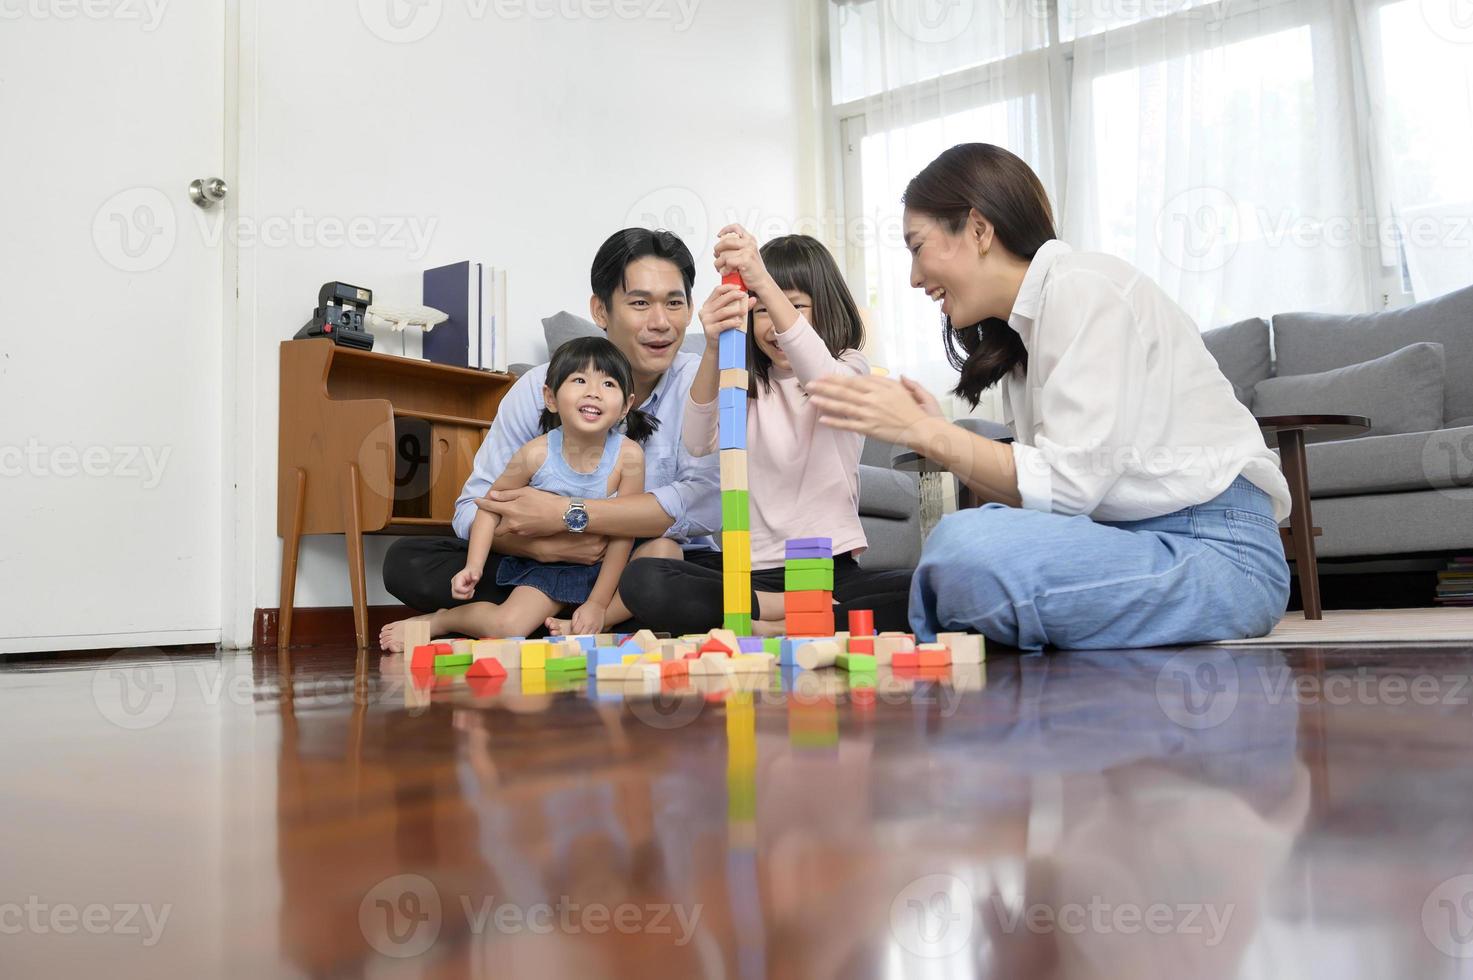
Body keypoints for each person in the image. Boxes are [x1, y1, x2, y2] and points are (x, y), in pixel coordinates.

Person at [807, 143, 1293, 649]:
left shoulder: (1083, 287)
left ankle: (880, 620)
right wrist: (940, 439)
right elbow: (1043, 497)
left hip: (1218, 551)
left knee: (965, 549)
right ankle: (871, 619)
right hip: (1128, 543)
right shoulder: (1022, 339)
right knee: (964, 552)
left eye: (916, 246)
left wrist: (925, 432)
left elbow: (1071, 487)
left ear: (978, 229)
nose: (913, 277)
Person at [381, 229, 723, 628]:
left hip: (648, 559)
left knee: (691, 578)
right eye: (641, 303)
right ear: (600, 310)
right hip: (537, 559)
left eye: (674, 303)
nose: (661, 322)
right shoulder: (540, 387)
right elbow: (474, 505)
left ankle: (545, 620)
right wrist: (546, 546)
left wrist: (570, 514)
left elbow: (704, 506)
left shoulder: (704, 382)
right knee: (407, 561)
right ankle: (583, 619)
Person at [617, 226, 916, 636]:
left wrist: (760, 278)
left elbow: (825, 385)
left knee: (924, 587)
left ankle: (768, 623)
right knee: (644, 580)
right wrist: (713, 346)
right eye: (762, 312)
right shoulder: (745, 381)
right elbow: (698, 440)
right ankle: (797, 616)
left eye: (791, 308)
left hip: (829, 572)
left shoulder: (847, 367)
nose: (774, 326)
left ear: (825, 308)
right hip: (749, 572)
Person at [379, 338, 678, 651]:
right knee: (507, 626)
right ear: (550, 397)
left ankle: (594, 621)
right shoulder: (535, 454)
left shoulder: (628, 455)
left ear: (626, 406)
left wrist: (598, 605)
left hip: (610, 563)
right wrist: (474, 566)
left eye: (608, 383)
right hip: (553, 567)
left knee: (667, 552)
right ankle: (441, 620)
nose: (594, 391)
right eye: (579, 380)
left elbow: (624, 532)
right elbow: (488, 507)